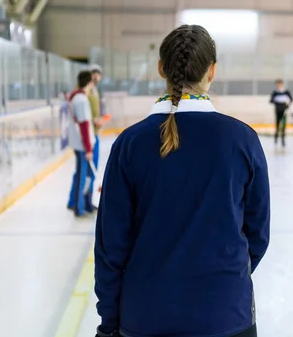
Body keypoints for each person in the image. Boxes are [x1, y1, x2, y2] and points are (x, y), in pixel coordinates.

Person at [94, 25, 270, 337]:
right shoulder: (242, 139)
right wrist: (223, 277)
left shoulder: (130, 144)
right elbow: (257, 234)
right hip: (225, 313)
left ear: (161, 67)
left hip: (146, 315)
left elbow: (111, 247)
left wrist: (109, 325)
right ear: (212, 71)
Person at [66, 70, 95, 217]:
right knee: (82, 176)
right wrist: (89, 148)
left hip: (80, 144)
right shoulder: (81, 100)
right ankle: (79, 207)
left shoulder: (76, 98)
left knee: (82, 175)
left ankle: (83, 205)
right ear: (90, 82)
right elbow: (84, 125)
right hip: (83, 145)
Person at [88, 65, 103, 207]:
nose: (97, 76)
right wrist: (94, 120)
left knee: (91, 171)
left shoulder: (94, 91)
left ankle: (87, 201)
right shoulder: (87, 92)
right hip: (89, 136)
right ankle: (81, 202)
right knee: (86, 172)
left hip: (94, 133)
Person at [269, 79, 293, 147]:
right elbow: (271, 100)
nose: (278, 85)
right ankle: (276, 139)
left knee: (283, 125)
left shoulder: (286, 92)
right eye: (277, 84)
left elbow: (291, 99)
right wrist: (276, 101)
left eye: (279, 84)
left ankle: (283, 140)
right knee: (277, 125)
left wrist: (287, 105)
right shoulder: (275, 92)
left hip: (284, 111)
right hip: (277, 110)